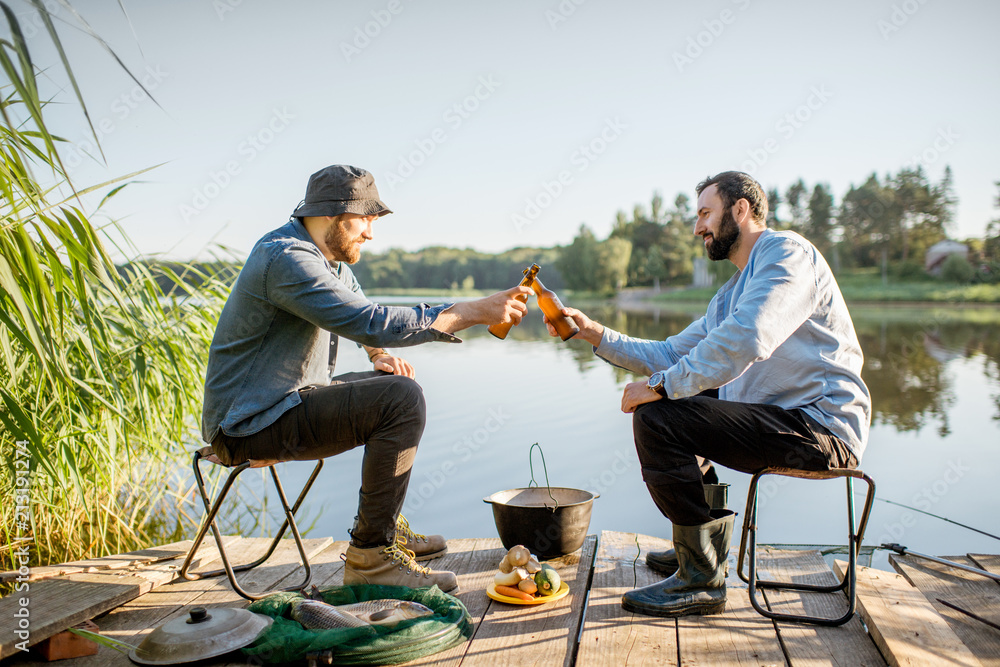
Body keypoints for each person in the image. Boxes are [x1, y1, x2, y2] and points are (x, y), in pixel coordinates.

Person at [544, 171, 870, 617]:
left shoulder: (786, 254)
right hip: (782, 421)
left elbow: (750, 336)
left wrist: (660, 387)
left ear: (741, 209)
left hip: (823, 431)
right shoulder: (730, 293)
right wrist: (594, 333)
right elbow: (669, 353)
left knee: (660, 415)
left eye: (705, 213)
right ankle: (702, 550)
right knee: (675, 401)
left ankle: (701, 578)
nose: (698, 228)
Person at [201, 164, 532, 593]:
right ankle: (372, 558)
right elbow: (368, 319)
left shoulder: (327, 260)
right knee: (401, 400)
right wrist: (471, 311)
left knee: (395, 389)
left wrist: (379, 354)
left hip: (281, 404)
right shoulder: (286, 258)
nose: (371, 234)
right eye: (366, 219)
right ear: (333, 214)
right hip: (247, 426)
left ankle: (384, 529)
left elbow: (359, 314)